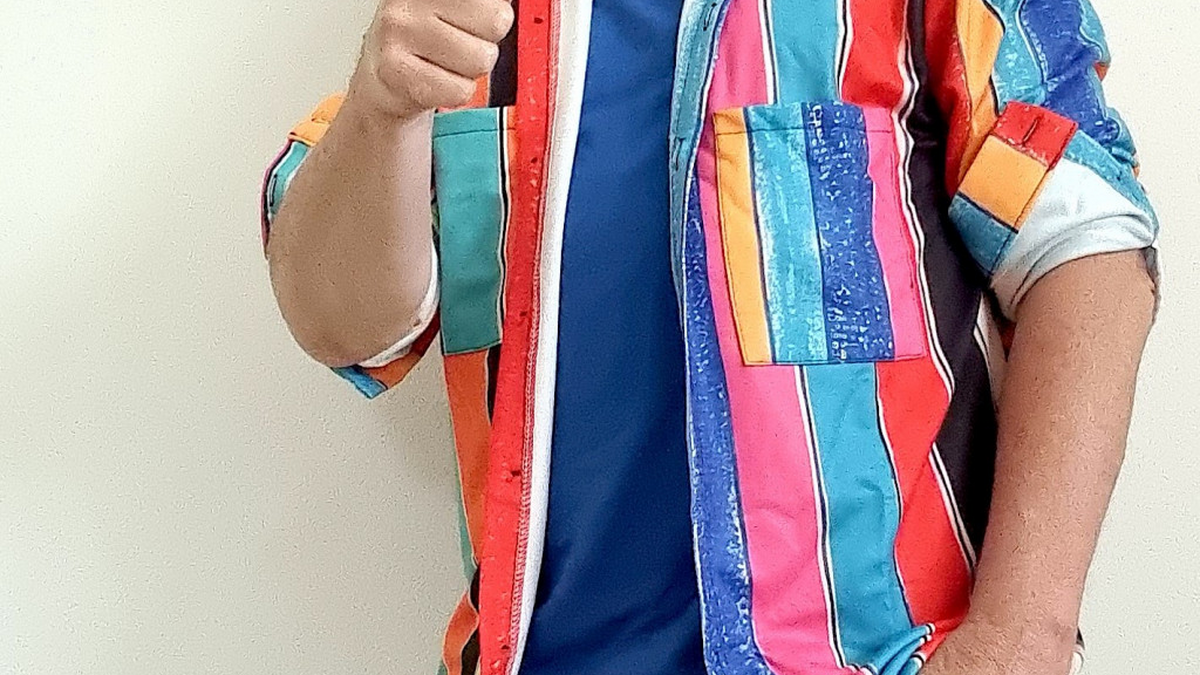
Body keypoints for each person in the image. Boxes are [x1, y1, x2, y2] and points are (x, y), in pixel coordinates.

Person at [259, 0, 1160, 672]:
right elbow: (345, 326)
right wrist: (381, 107)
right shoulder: (464, 17)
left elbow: (1087, 248)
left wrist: (1017, 642)